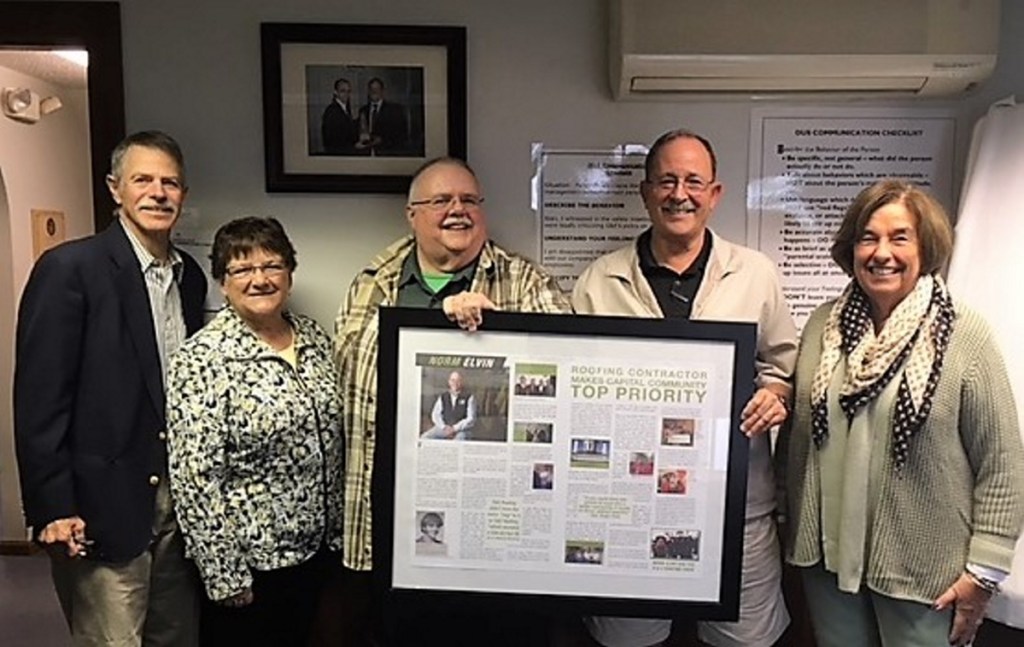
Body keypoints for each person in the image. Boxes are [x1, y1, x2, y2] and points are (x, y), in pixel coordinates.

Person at [332, 156, 571, 646]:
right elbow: (350, 380)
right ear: (412, 214)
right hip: (402, 530)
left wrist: (501, 332)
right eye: (441, 200)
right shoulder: (373, 283)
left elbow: (563, 381)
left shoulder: (525, 283)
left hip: (496, 528)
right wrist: (436, 328)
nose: (457, 211)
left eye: (469, 200)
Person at [572, 128, 798, 647]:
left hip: (736, 507)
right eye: (667, 181)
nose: (680, 194)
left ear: (714, 194)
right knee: (628, 639)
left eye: (694, 181)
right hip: (627, 506)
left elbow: (783, 370)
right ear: (646, 192)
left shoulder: (756, 274)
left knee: (744, 639)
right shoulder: (598, 280)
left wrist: (775, 396)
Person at [776, 179, 1024, 647]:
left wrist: (985, 571)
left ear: (926, 246)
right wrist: (786, 521)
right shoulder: (821, 325)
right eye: (868, 237)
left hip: (924, 571)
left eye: (899, 237)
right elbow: (797, 437)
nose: (881, 252)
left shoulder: (963, 334)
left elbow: (1004, 461)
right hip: (824, 562)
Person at [13, 130, 206, 646]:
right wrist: (52, 506)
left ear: (184, 194)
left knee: (175, 637)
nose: (158, 192)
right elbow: (39, 400)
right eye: (143, 179)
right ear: (114, 189)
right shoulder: (70, 269)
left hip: (175, 507)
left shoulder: (191, 279)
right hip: (102, 508)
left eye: (171, 182)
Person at [166, 216, 344, 646]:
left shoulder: (315, 339)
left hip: (319, 554)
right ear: (222, 283)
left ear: (290, 273)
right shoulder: (202, 359)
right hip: (253, 567)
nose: (260, 279)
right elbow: (194, 478)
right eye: (242, 269)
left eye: (273, 265)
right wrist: (224, 575)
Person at [356, 77, 409, 155]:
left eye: (377, 89)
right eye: (371, 89)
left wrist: (382, 140)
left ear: (382, 91)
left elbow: (401, 136)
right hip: (366, 156)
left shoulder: (394, 110)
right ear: (368, 91)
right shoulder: (363, 110)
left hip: (386, 155)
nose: (374, 91)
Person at [422, 370, 476, 439]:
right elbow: (435, 415)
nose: (455, 383)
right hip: (443, 429)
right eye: (453, 380)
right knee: (425, 437)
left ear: (462, 382)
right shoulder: (443, 397)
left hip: (461, 430)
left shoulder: (469, 397)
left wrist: (455, 428)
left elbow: (471, 418)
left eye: (458, 380)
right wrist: (444, 427)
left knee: (460, 440)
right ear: (449, 382)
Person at [321, 77, 360, 155]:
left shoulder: (345, 109)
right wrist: (354, 146)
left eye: (348, 91)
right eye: (343, 91)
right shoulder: (331, 111)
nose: (346, 94)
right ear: (335, 92)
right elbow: (332, 140)